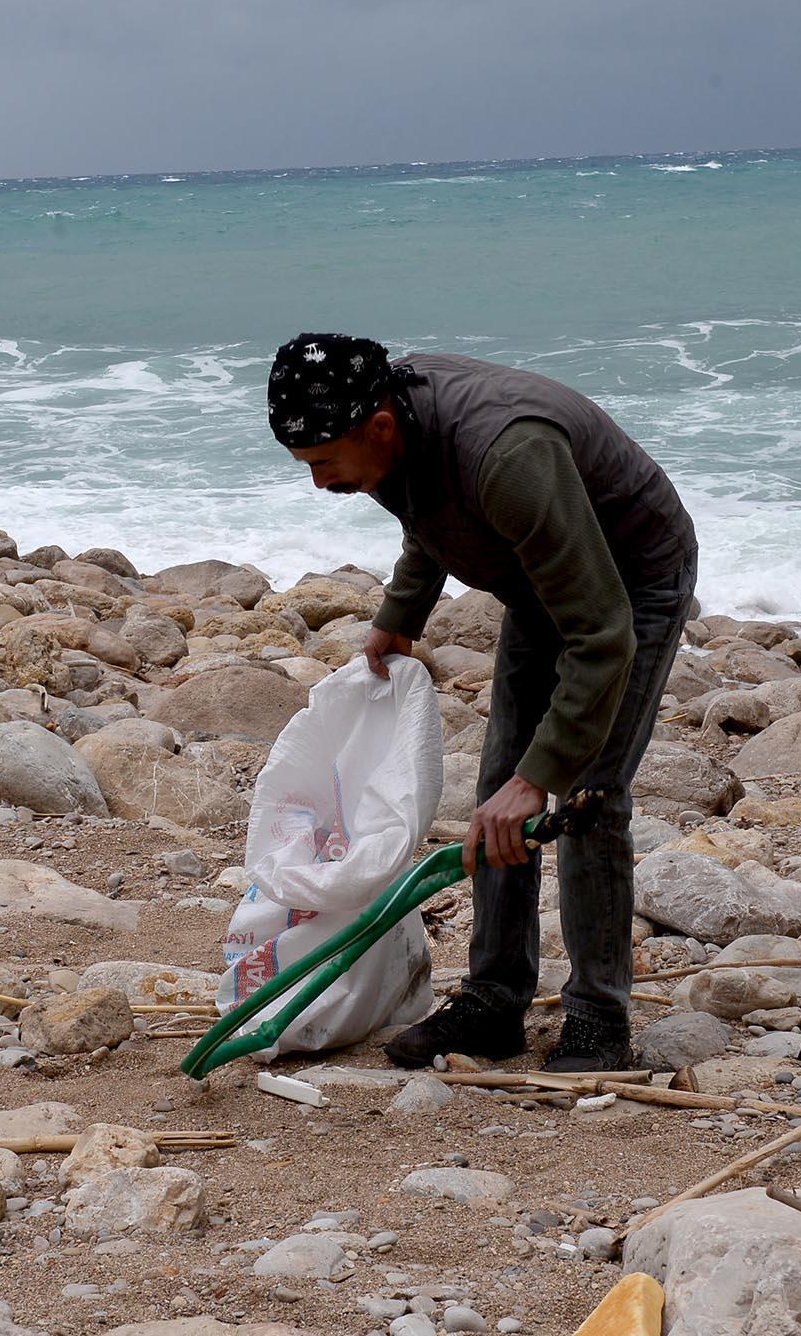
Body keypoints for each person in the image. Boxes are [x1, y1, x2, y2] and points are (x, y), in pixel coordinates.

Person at [267, 333, 699, 1072]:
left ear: (378, 427)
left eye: (324, 464)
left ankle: (599, 1018)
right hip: (539, 579)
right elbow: (431, 513)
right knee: (498, 793)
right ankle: (496, 999)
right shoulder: (397, 425)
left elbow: (602, 632)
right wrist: (400, 614)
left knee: (586, 795)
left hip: (632, 582)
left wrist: (542, 777)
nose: (319, 483)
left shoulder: (508, 456)